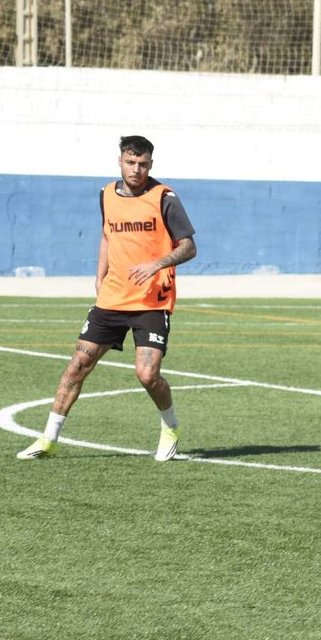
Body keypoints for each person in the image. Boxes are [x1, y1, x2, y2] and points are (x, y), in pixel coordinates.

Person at [17, 134, 197, 462]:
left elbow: (189, 246)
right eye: (131, 163)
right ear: (120, 161)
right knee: (77, 367)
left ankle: (170, 427)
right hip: (112, 298)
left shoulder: (164, 197)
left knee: (146, 375)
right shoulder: (106, 194)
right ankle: (48, 439)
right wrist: (99, 275)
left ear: (151, 165)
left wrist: (157, 263)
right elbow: (106, 235)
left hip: (151, 301)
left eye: (143, 164)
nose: (136, 170)